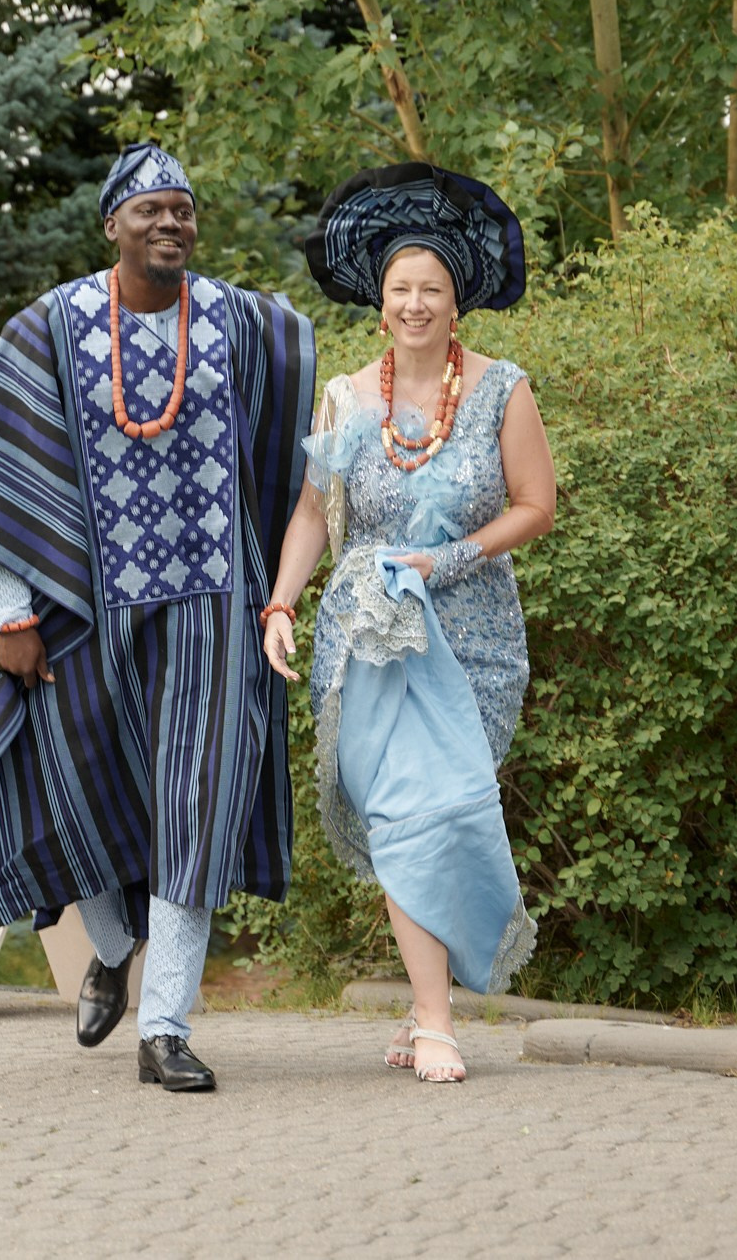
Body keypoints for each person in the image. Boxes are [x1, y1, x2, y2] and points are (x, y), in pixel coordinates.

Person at [0, 143, 316, 1092]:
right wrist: (10, 615)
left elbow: (295, 417)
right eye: (150, 209)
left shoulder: (241, 322)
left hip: (215, 605)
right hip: (87, 605)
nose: (171, 223)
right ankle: (112, 942)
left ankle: (164, 1026)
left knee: (195, 801)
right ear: (111, 225)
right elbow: (7, 485)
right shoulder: (50, 326)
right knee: (69, 775)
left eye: (184, 210)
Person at [261, 161, 553, 1084]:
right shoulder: (348, 399)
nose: (416, 303)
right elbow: (314, 512)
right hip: (371, 639)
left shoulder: (503, 388)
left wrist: (446, 558)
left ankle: (433, 1000)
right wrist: (281, 602)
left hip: (474, 641)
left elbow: (536, 505)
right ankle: (434, 1018)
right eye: (401, 289)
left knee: (447, 813)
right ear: (379, 302)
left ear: (455, 299)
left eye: (432, 288)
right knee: (403, 815)